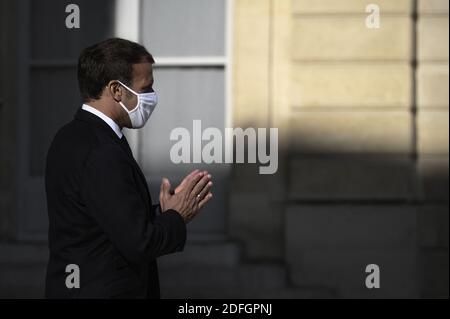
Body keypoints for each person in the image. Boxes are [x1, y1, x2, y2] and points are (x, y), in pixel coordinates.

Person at [45, 38, 213, 298]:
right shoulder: (101, 150)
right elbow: (139, 242)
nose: (151, 97)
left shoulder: (71, 135)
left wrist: (162, 213)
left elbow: (107, 220)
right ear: (116, 90)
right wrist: (177, 216)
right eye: (145, 88)